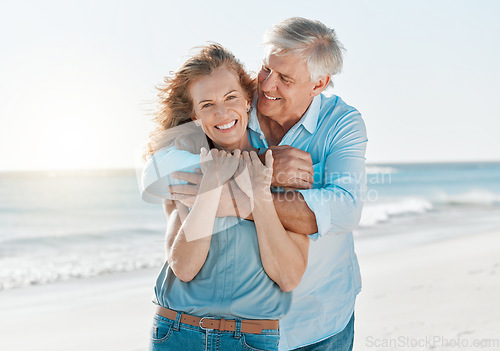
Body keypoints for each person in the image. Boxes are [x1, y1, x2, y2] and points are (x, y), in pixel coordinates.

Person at [146, 18, 368, 350]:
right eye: (266, 69)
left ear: (319, 83)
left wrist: (238, 199)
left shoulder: (342, 124)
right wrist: (266, 170)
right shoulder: (235, 104)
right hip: (227, 327)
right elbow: (161, 167)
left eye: (285, 79)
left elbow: (345, 210)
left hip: (320, 318)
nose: (266, 85)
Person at [142, 43, 310, 351]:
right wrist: (211, 185)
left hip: (251, 339)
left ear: (247, 100)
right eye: (206, 105)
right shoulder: (185, 166)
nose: (222, 112)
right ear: (194, 116)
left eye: (230, 97)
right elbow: (185, 267)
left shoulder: (282, 168)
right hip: (177, 332)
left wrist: (260, 196)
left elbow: (288, 277)